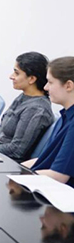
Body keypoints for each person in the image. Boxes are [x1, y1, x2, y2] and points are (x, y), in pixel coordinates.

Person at [0, 52, 54, 162]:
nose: (11, 76)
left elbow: (16, 150)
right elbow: (1, 127)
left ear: (31, 79)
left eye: (16, 73)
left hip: (6, 162)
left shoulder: (36, 109)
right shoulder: (24, 96)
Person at [22, 57, 74, 185]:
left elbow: (58, 176)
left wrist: (18, 177)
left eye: (50, 82)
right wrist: (14, 170)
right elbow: (44, 159)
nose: (45, 87)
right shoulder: (64, 117)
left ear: (68, 85)